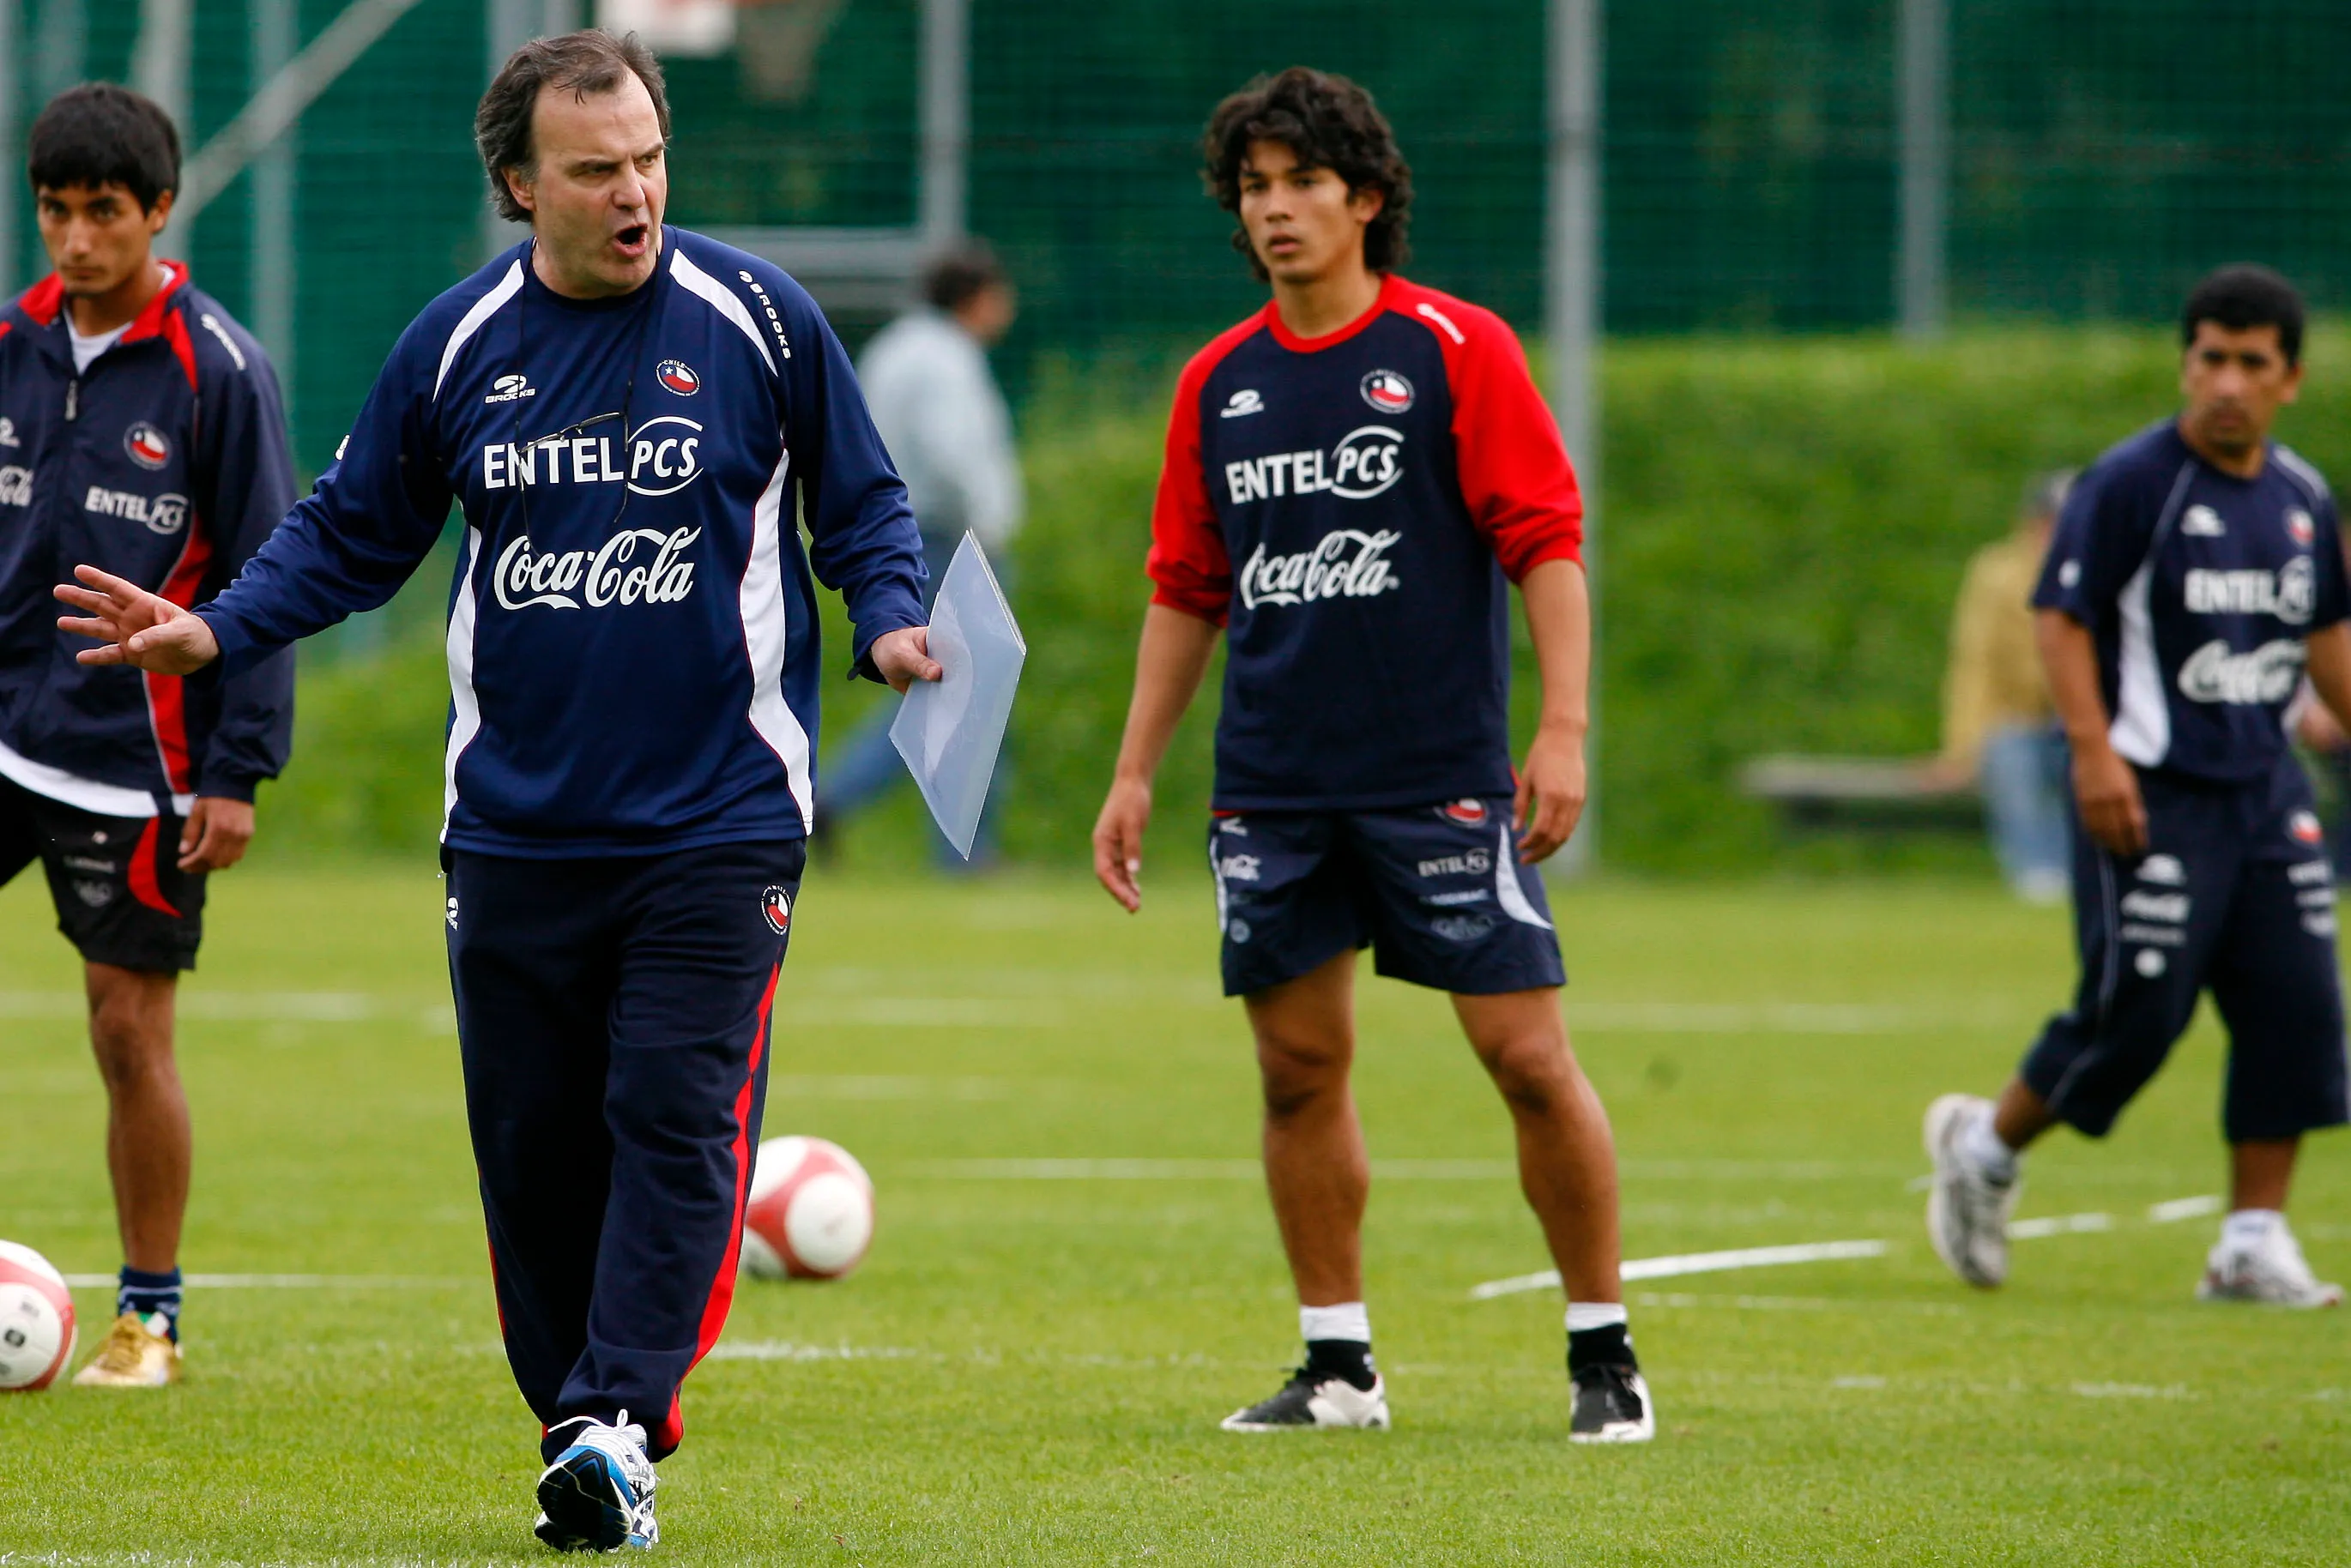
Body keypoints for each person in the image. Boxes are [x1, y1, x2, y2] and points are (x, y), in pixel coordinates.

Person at [54, 30, 933, 1549]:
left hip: (720, 822)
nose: (635, 193)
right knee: (532, 1152)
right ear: (522, 185)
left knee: (674, 1105)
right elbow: (348, 532)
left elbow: (863, 500)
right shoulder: (459, 343)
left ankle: (618, 1418)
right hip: (514, 829)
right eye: (596, 171)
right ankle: (572, 1421)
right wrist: (216, 626)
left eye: (650, 160)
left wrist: (896, 606)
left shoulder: (759, 320)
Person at [1091, 67, 1652, 1443]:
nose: (1274, 209)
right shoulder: (1217, 384)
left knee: (1526, 1056)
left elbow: (1546, 544)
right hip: (1274, 784)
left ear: (1368, 197)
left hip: (1441, 776)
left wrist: (1565, 728)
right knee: (1296, 1069)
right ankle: (1338, 1364)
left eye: (1301, 183)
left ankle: (1604, 1353)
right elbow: (1184, 586)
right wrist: (1133, 771)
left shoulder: (1456, 350)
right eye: (1254, 186)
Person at [1925, 265, 2351, 1307]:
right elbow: (2060, 617)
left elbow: (2326, 637)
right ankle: (1983, 1148)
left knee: (2296, 1008)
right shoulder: (2131, 484)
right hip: (2148, 791)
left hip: (2264, 793)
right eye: (2211, 358)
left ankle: (2250, 1241)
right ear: (2186, 361)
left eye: (2253, 364)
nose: (2227, 383)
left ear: (2288, 378)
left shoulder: (2299, 499)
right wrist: (2095, 754)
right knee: (2135, 1014)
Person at [0, 83, 296, 1388]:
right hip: (3, 730)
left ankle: (151, 1313)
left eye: (102, 213)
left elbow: (269, 586)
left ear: (159, 212)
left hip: (141, 760)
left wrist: (237, 771)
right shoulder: (7, 344)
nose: (75, 241)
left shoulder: (217, 373)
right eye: (54, 212)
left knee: (127, 1032)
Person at [819, 243, 1022, 863]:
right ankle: (961, 851)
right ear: (978, 297)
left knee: (940, 694)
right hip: (945, 537)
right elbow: (950, 450)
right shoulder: (944, 358)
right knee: (964, 696)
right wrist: (987, 522)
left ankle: (834, 802)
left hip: (908, 534)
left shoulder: (898, 345)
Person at [1923, 470, 2074, 902]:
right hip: (2022, 721)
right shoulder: (1996, 574)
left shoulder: (2107, 569)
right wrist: (1961, 751)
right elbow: (1975, 667)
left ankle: (2084, 873)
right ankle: (2040, 878)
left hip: (2087, 721)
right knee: (2010, 755)